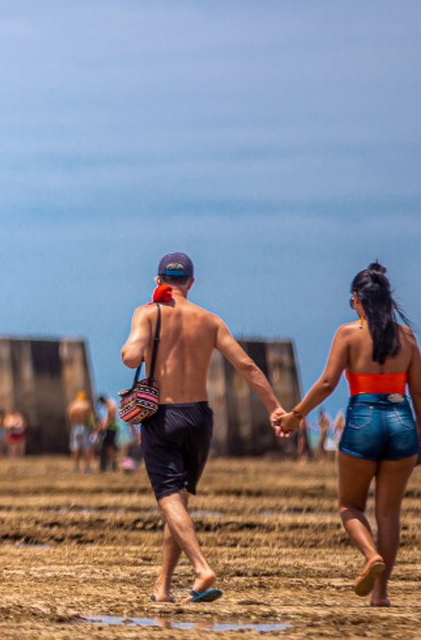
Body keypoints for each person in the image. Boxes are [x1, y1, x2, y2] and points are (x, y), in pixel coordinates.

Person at [121, 252, 287, 604]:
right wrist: (275, 408)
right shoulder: (210, 321)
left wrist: (142, 338)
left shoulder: (148, 313)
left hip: (162, 417)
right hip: (199, 417)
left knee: (168, 497)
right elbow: (246, 365)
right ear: (191, 283)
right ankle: (162, 587)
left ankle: (201, 568)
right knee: (178, 500)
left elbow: (131, 357)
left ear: (158, 280)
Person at [275, 262, 421, 607]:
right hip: (402, 419)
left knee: (349, 506)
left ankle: (370, 556)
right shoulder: (406, 337)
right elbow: (418, 393)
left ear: (358, 300)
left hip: (363, 418)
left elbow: (329, 383)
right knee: (389, 514)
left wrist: (295, 416)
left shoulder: (347, 334)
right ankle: (381, 594)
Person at [67, 391, 95, 472]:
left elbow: (69, 416)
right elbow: (90, 418)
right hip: (84, 427)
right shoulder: (86, 405)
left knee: (76, 448)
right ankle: (87, 467)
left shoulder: (72, 405)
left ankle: (76, 467)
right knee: (87, 448)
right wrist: (92, 427)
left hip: (75, 427)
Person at [97, 394, 120, 472]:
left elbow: (111, 419)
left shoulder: (110, 405)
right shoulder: (111, 404)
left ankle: (112, 466)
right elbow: (108, 418)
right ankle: (111, 466)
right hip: (112, 427)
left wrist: (104, 426)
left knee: (109, 447)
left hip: (111, 428)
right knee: (109, 447)